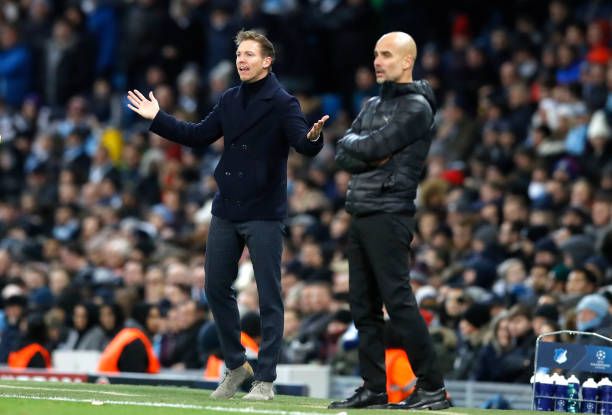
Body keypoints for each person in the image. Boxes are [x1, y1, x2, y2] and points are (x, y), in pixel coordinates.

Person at [126, 30, 327, 400]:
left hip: (263, 211)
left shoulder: (283, 101)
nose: (241, 60)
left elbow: (302, 141)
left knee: (269, 295)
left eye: (249, 54)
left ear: (267, 61)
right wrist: (158, 117)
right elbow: (198, 135)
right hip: (226, 206)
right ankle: (236, 366)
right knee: (215, 287)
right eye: (238, 54)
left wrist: (314, 139)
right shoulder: (230, 98)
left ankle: (265, 379)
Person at [329, 31, 449, 410]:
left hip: (389, 211)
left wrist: (362, 148)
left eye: (386, 55)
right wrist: (361, 149)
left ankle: (432, 388)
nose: (377, 62)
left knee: (398, 302)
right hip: (360, 209)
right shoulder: (371, 104)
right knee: (362, 308)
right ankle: (374, 388)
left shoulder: (416, 108)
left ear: (407, 61)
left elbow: (373, 146)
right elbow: (344, 151)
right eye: (376, 54)